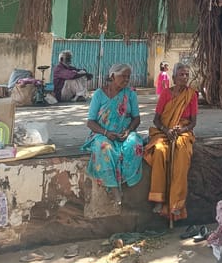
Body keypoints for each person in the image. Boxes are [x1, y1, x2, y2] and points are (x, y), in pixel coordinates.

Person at [81, 63, 143, 205]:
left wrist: (128, 131)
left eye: (128, 76)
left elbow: (136, 118)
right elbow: (90, 122)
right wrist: (106, 132)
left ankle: (127, 181)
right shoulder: (99, 94)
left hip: (124, 133)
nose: (126, 79)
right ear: (112, 76)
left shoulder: (130, 94)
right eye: (123, 76)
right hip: (102, 134)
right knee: (104, 147)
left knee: (135, 144)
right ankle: (113, 188)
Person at [144, 63, 197, 224]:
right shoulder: (166, 94)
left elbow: (193, 122)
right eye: (181, 74)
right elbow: (156, 120)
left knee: (181, 153)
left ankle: (177, 203)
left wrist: (181, 130)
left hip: (183, 131)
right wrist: (167, 130)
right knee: (159, 150)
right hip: (164, 130)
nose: (185, 78)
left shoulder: (192, 95)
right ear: (174, 78)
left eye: (187, 75)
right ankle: (159, 199)